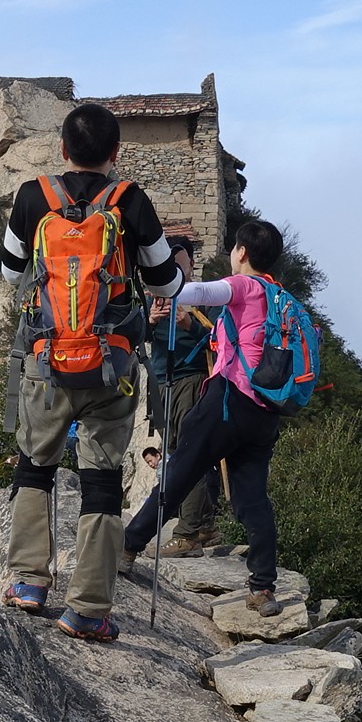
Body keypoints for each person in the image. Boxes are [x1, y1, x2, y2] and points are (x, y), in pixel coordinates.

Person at [0, 102, 183, 640]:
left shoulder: (34, 197)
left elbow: (11, 275)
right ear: (116, 153)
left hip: (46, 360)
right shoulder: (130, 201)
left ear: (61, 149)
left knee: (35, 464)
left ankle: (30, 583)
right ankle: (87, 609)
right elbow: (166, 283)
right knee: (101, 482)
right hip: (112, 365)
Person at [121, 215, 298, 614]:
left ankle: (129, 547)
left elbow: (194, 292)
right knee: (253, 498)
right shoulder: (283, 299)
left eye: (235, 249)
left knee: (179, 473)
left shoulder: (242, 285)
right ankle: (263, 587)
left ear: (242, 252)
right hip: (267, 411)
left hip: (227, 400)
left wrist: (156, 281)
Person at [143, 235, 223, 555]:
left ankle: (187, 532)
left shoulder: (203, 297)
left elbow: (218, 341)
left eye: (180, 261)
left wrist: (190, 323)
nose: (174, 267)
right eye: (168, 261)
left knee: (187, 454)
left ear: (191, 263)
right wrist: (149, 320)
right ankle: (203, 526)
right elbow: (136, 337)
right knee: (179, 453)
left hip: (192, 380)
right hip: (162, 381)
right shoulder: (153, 296)